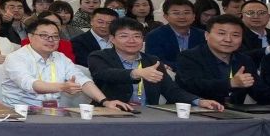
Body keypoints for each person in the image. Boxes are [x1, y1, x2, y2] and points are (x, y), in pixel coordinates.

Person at [89, 19, 218, 111]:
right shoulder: (99, 56)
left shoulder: (152, 61)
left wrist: (199, 101)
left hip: (148, 115)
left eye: (137, 36)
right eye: (124, 36)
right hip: (110, 113)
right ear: (112, 39)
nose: (131, 40)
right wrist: (136, 73)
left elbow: (171, 90)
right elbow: (104, 74)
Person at [1, 21, 129, 112]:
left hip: (53, 112)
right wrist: (62, 87)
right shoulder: (15, 58)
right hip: (21, 113)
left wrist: (105, 102)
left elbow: (82, 80)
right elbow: (30, 84)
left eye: (55, 36)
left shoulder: (60, 57)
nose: (51, 40)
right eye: (44, 36)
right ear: (30, 37)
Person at [177, 18, 264, 108]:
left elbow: (260, 91)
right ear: (207, 35)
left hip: (234, 113)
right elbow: (193, 85)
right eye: (221, 33)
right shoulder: (189, 57)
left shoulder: (244, 60)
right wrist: (231, 83)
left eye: (235, 35)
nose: (228, 39)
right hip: (196, 111)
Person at [143, 0, 203, 66]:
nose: (182, 17)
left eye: (187, 13)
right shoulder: (154, 36)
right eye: (176, 13)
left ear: (194, 16)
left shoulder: (202, 35)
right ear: (166, 16)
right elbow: (156, 62)